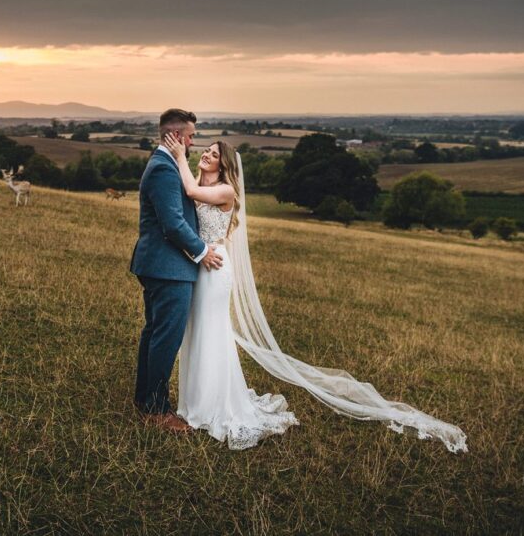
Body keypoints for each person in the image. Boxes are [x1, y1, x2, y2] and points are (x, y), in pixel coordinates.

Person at [160, 133, 468, 453]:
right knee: (196, 332)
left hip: (216, 270)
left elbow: (191, 192)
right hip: (201, 267)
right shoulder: (204, 183)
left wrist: (180, 154)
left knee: (212, 333)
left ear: (224, 164)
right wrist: (189, 165)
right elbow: (190, 193)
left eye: (212, 153)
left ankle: (212, 406)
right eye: (204, 151)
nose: (205, 155)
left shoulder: (225, 190)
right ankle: (195, 400)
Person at [130, 109, 223, 433]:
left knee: (155, 333)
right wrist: (201, 252)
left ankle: (145, 400)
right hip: (168, 267)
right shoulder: (164, 170)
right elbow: (172, 224)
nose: (194, 141)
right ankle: (156, 410)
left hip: (162, 265)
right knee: (165, 338)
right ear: (176, 136)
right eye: (191, 135)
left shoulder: (167, 165)